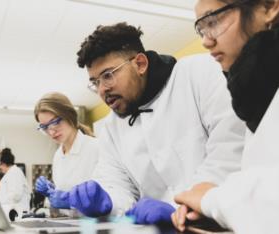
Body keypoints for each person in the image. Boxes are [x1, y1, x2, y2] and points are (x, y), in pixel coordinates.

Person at [56, 22, 245, 224]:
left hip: (227, 222)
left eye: (108, 75)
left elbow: (231, 153)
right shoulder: (112, 128)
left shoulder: (198, 73)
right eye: (95, 82)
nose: (102, 90)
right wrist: (108, 200)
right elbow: (119, 186)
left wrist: (180, 209)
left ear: (140, 64)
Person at [171, 0, 279, 233]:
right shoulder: (257, 91)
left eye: (214, 21)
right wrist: (218, 213)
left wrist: (213, 200)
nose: (206, 41)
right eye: (202, 28)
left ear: (269, 7)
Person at [34, 92, 99, 209]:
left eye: (55, 122)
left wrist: (71, 201)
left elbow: (107, 199)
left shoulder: (96, 148)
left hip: (95, 225)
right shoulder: (58, 156)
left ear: (69, 115)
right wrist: (51, 193)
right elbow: (62, 199)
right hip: (68, 225)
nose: (51, 132)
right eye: (45, 127)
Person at [0, 148, 30, 213]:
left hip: (19, 212)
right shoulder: (10, 173)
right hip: (13, 211)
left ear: (3, 164)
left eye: (0, 165)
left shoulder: (15, 172)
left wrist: (1, 202)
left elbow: (16, 195)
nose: (0, 168)